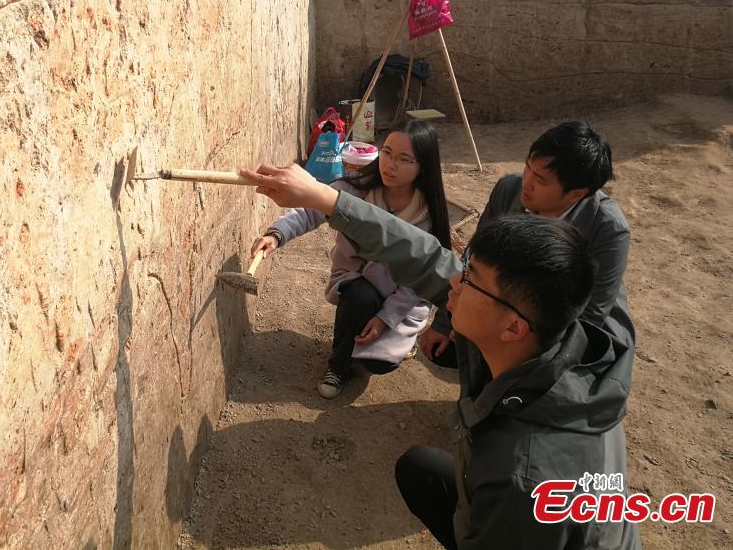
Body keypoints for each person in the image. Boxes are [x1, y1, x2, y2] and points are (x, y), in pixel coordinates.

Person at [239, 163, 640, 549]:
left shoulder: (522, 476)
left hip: (523, 517)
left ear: (513, 327)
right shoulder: (556, 335)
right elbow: (425, 256)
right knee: (420, 469)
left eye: (470, 279)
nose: (453, 280)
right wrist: (325, 198)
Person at [250, 120, 452, 399]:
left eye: (404, 159)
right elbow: (310, 210)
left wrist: (384, 319)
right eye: (387, 153)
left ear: (423, 167)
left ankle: (393, 343)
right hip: (356, 282)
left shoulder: (428, 216)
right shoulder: (357, 189)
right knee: (359, 295)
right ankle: (338, 366)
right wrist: (277, 234)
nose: (390, 165)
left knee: (377, 364)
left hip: (400, 299)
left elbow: (416, 285)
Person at [420, 120, 631, 367]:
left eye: (540, 180)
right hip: (509, 302)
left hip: (556, 324)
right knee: (454, 350)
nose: (526, 182)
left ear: (576, 194)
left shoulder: (607, 229)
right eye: (528, 167)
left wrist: (519, 347)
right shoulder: (508, 190)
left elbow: (591, 313)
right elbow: (475, 258)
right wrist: (446, 322)